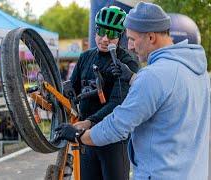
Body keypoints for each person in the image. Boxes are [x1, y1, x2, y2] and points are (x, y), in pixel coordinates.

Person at [54, 2, 210, 179]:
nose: (129, 46)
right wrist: (133, 78)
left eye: (132, 39)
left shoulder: (153, 76)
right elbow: (167, 97)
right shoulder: (200, 74)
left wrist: (78, 135)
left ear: (151, 37)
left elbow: (117, 126)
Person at [68, 6, 139, 180]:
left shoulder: (127, 61)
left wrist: (88, 122)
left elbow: (118, 102)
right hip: (86, 139)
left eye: (112, 34)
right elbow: (72, 89)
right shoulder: (85, 57)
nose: (105, 39)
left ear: (120, 36)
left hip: (113, 140)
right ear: (95, 31)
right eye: (101, 31)